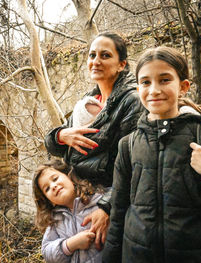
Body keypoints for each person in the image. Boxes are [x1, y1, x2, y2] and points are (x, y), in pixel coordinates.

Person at [103, 46, 201, 263]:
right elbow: (119, 214)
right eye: (146, 82)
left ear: (183, 86)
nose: (154, 90)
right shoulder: (128, 146)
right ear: (137, 87)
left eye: (165, 80)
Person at [44, 32, 145, 249]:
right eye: (92, 55)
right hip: (81, 198)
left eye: (105, 55)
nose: (96, 61)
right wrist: (61, 136)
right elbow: (53, 146)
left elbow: (132, 164)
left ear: (121, 64)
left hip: (108, 202)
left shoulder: (132, 101)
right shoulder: (88, 101)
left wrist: (108, 209)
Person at [33, 159, 104, 263]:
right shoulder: (54, 219)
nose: (53, 186)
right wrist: (70, 244)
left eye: (55, 179)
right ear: (48, 200)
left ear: (69, 176)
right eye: (47, 189)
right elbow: (46, 252)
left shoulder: (98, 202)